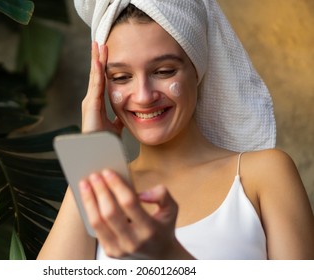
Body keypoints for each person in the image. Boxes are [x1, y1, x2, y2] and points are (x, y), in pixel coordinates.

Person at [37, 0, 314, 260]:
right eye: (121, 77)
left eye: (164, 71)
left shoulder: (262, 175)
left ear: (197, 69)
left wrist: (169, 255)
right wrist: (91, 158)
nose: (143, 96)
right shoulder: (104, 191)